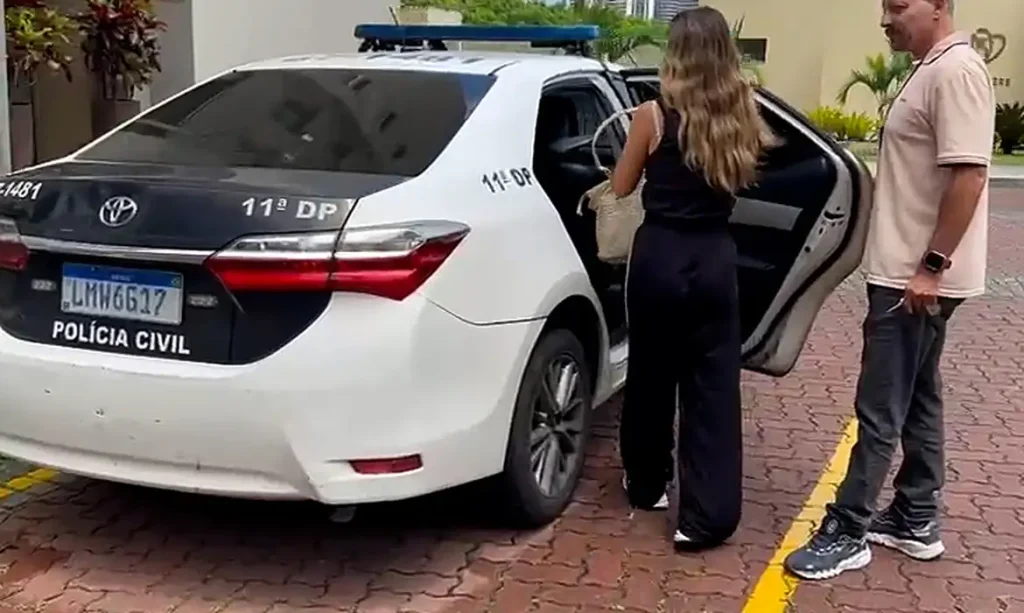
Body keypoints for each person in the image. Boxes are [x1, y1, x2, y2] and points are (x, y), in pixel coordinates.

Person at [785, 0, 994, 580]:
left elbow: (970, 175)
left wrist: (931, 267)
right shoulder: (933, 68)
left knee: (879, 404)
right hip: (911, 274)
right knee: (918, 395)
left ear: (940, 6)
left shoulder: (956, 71)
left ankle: (847, 527)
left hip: (914, 278)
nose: (886, 19)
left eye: (899, 6)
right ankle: (915, 516)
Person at [611, 6, 778, 551]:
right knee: (713, 387)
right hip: (714, 259)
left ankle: (647, 485)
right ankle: (706, 518)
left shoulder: (651, 116)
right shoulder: (744, 112)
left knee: (651, 374)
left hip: (659, 256)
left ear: (676, 53)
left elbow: (620, 186)